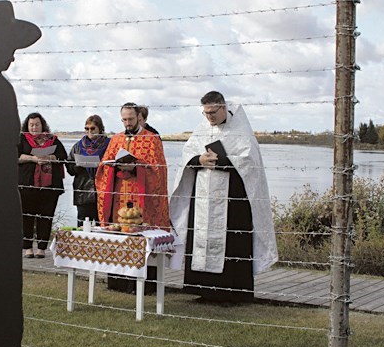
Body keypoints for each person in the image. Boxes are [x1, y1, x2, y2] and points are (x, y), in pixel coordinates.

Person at [169, 91, 278, 303]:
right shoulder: (202, 129)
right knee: (200, 238)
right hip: (202, 196)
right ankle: (204, 290)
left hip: (232, 198)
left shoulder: (240, 129)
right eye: (205, 112)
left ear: (223, 107)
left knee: (232, 243)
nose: (209, 117)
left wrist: (223, 161)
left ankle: (232, 293)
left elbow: (249, 162)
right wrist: (199, 159)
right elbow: (187, 156)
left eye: (212, 112)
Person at [95, 102, 169, 228]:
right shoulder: (116, 139)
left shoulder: (152, 139)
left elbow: (159, 171)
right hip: (119, 192)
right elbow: (104, 166)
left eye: (131, 119)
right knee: (119, 228)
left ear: (139, 117)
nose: (128, 123)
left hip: (141, 193)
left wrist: (136, 168)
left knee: (139, 230)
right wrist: (113, 166)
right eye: (124, 120)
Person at [18, 112, 68, 258]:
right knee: (27, 216)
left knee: (46, 217)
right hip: (27, 185)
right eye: (31, 125)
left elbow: (62, 157)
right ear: (27, 125)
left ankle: (41, 248)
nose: (34, 127)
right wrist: (33, 159)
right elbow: (15, 156)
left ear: (42, 125)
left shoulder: (52, 139)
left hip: (49, 186)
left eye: (37, 124)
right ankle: (27, 248)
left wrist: (49, 157)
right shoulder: (21, 139)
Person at [65, 115, 109, 226]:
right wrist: (79, 166)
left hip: (103, 192)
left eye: (92, 128)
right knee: (83, 226)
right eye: (86, 128)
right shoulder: (78, 146)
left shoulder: (109, 144)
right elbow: (70, 167)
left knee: (104, 226)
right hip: (83, 192)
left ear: (100, 128)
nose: (89, 131)